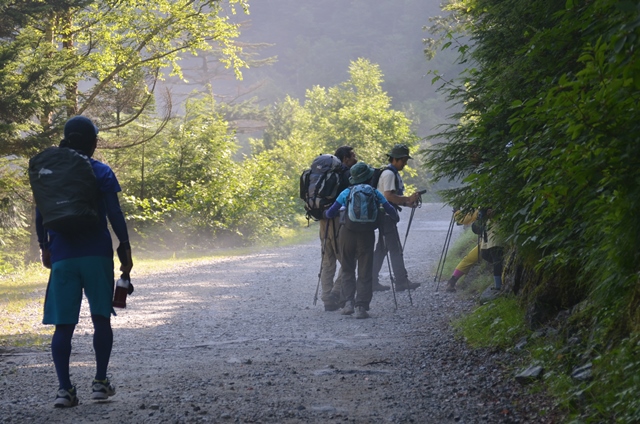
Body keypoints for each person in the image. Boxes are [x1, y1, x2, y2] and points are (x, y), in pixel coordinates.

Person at [36, 116, 133, 408]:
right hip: (97, 254)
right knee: (101, 318)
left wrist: (45, 246)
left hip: (63, 256)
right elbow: (114, 214)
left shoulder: (49, 172)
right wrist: (124, 248)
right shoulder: (101, 171)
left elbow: (41, 214)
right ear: (93, 142)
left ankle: (65, 390)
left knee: (63, 326)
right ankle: (100, 384)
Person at [324, 162, 398, 318]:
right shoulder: (374, 192)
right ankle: (361, 307)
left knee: (347, 268)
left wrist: (327, 213)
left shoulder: (346, 192)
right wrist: (393, 216)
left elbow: (331, 213)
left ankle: (348, 303)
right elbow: (390, 209)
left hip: (347, 233)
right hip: (367, 234)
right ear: (368, 177)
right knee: (365, 270)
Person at [371, 144, 421, 292]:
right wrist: (407, 199)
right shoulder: (389, 174)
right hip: (386, 216)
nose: (405, 163)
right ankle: (401, 281)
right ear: (397, 159)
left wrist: (407, 203)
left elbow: (391, 198)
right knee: (395, 249)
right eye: (404, 160)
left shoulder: (391, 173)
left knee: (381, 249)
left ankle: (371, 281)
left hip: (384, 215)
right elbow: (388, 196)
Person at [318, 146, 357, 311]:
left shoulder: (322, 173)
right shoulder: (346, 174)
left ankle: (327, 299)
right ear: (345, 158)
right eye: (353, 156)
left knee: (328, 260)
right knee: (348, 259)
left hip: (323, 219)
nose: (355, 159)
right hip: (338, 221)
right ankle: (336, 292)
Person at [445, 209, 503, 292]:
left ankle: (452, 281)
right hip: (491, 239)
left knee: (471, 258)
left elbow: (464, 219)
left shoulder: (481, 208)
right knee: (490, 259)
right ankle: (452, 281)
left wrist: (457, 212)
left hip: (490, 240)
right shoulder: (498, 207)